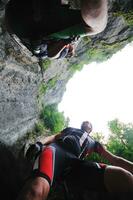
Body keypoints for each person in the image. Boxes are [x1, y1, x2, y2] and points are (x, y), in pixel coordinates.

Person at [5, 0, 108, 59]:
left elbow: (51, 55)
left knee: (97, 28)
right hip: (15, 15)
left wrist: (65, 43)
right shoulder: (67, 42)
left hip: (37, 26)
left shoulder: (60, 52)